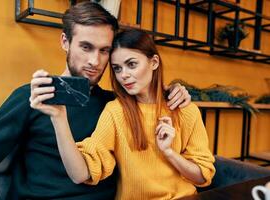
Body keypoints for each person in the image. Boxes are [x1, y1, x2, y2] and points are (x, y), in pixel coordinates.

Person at [0, 2, 191, 200]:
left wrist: (172, 91)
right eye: (86, 47)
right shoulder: (34, 96)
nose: (94, 61)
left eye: (104, 51)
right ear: (65, 42)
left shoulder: (117, 105)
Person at [30, 29, 215, 200]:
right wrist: (59, 118)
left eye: (131, 64)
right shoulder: (115, 112)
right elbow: (80, 174)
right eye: (117, 68)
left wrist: (169, 152)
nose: (123, 75)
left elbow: (202, 177)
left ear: (154, 62)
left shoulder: (186, 110)